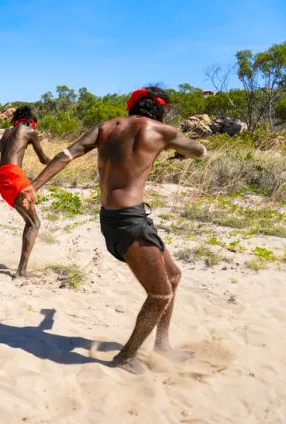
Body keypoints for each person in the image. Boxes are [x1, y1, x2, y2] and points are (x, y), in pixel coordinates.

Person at [20, 87, 207, 374]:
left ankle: (162, 345)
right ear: (160, 109)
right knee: (160, 294)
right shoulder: (162, 132)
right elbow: (199, 151)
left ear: (133, 106)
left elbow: (67, 154)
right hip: (130, 222)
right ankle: (125, 356)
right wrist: (179, 150)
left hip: (116, 219)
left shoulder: (106, 128)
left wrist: (35, 185)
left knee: (173, 276)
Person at [0, 106, 51, 277]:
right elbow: (43, 159)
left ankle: (22, 268)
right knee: (34, 224)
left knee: (30, 222)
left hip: (1, 181)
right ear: (30, 121)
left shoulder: (6, 133)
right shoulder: (29, 130)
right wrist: (60, 161)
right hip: (15, 178)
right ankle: (21, 271)